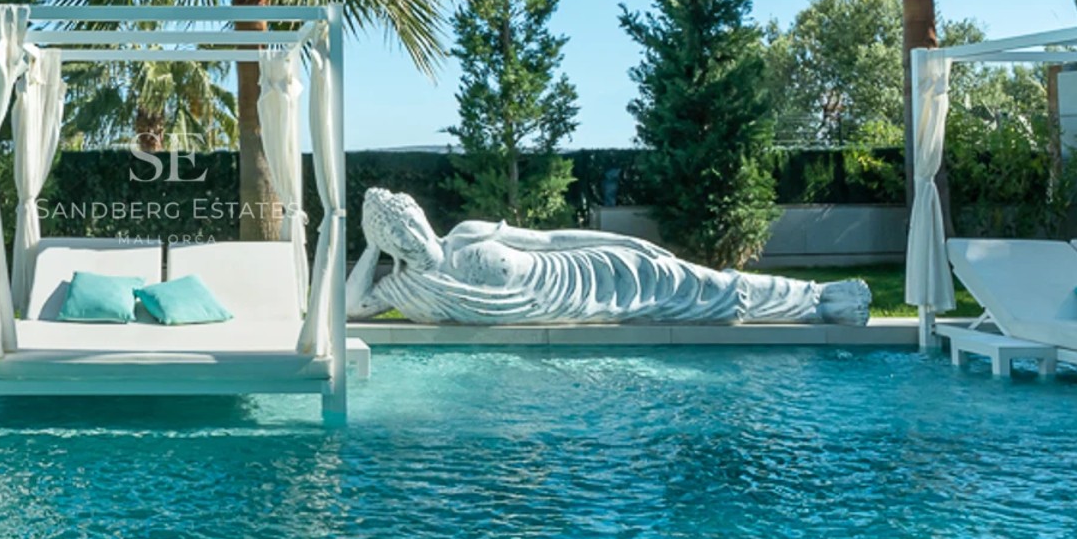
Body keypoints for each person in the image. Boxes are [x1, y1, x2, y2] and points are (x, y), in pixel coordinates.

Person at [347, 188, 870, 325]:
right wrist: (371, 245)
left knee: (701, 282)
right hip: (583, 309)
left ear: (421, 214)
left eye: (407, 221)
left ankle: (816, 297)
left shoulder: (465, 234)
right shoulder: (404, 286)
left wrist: (623, 243)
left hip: (589, 270)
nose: (409, 236)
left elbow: (549, 241)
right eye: (395, 236)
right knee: (707, 301)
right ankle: (814, 302)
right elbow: (350, 308)